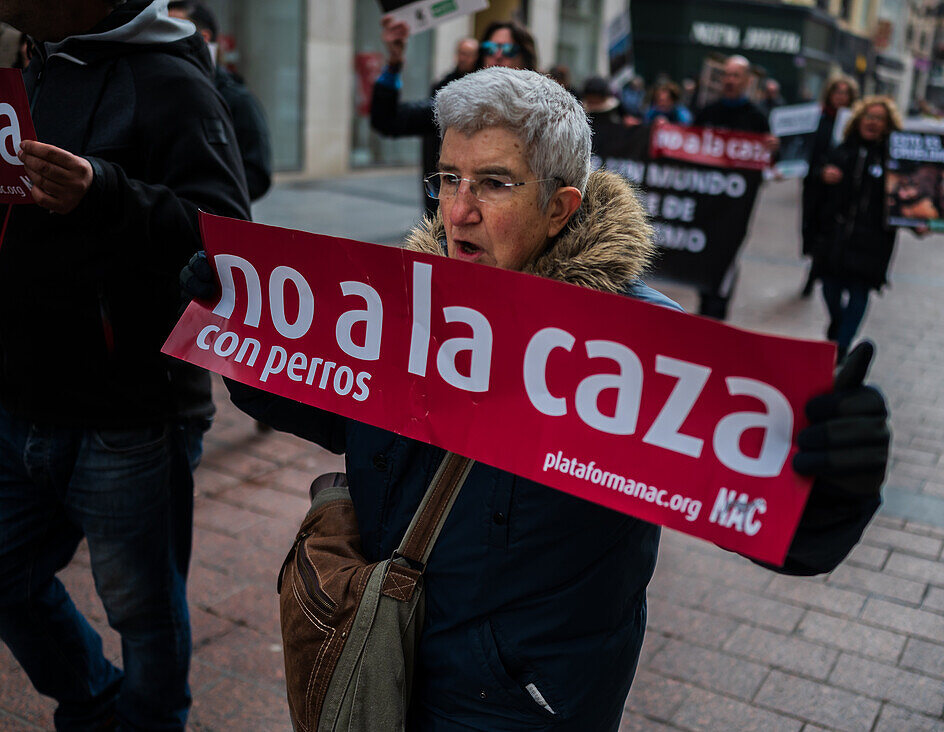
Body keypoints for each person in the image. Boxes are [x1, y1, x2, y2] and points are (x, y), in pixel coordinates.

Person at [183, 67, 887, 730]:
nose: (458, 211)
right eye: (448, 178)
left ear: (560, 207)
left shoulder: (640, 348)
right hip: (381, 656)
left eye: (493, 183)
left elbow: (785, 531)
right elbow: (326, 404)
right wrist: (241, 322)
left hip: (523, 702)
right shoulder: (404, 304)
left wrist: (835, 480)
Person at [0, 0, 249, 730]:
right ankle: (95, 702)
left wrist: (102, 192)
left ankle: (149, 717)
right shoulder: (31, 68)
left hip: (130, 417)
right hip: (18, 403)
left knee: (142, 611)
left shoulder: (171, 82)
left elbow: (227, 242)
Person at [370, 16, 537, 214]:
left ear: (525, 58)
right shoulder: (455, 106)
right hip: (449, 226)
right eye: (490, 49)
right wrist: (394, 63)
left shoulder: (540, 115)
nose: (498, 56)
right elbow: (387, 120)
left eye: (508, 50)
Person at [813, 96, 915, 360]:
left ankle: (842, 348)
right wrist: (823, 175)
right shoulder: (842, 150)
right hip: (836, 235)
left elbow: (908, 199)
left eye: (879, 118)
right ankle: (838, 325)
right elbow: (813, 180)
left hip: (873, 240)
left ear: (887, 125)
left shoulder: (896, 161)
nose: (872, 122)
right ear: (859, 120)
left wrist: (917, 223)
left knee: (859, 292)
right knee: (829, 288)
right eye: (868, 116)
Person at [693, 54, 779, 320]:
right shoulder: (708, 113)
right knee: (703, 252)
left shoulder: (757, 118)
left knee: (727, 255)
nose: (729, 80)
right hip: (706, 199)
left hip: (736, 206)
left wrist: (773, 150)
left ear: (747, 81)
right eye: (726, 75)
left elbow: (771, 161)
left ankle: (717, 312)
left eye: (735, 76)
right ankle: (704, 304)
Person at [168, 0, 272, 202]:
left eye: (173, 28)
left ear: (203, 38)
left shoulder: (238, 99)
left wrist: (208, 199)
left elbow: (257, 175)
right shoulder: (164, 89)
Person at [800, 75, 858, 298]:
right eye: (837, 92)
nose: (840, 97)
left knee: (828, 234)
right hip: (816, 186)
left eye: (845, 93)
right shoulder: (818, 119)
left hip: (840, 191)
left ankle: (816, 274)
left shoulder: (854, 124)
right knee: (812, 228)